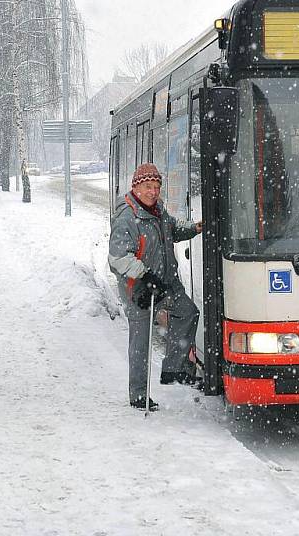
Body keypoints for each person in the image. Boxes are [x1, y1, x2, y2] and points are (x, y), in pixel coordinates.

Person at [108, 163, 203, 412]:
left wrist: (194, 228)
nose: (153, 192)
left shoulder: (158, 210)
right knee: (141, 341)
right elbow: (117, 257)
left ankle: (175, 368)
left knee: (187, 312)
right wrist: (144, 276)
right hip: (139, 289)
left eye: (157, 187)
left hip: (166, 283)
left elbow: (171, 229)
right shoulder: (127, 217)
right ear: (137, 186)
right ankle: (138, 395)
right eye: (148, 187)